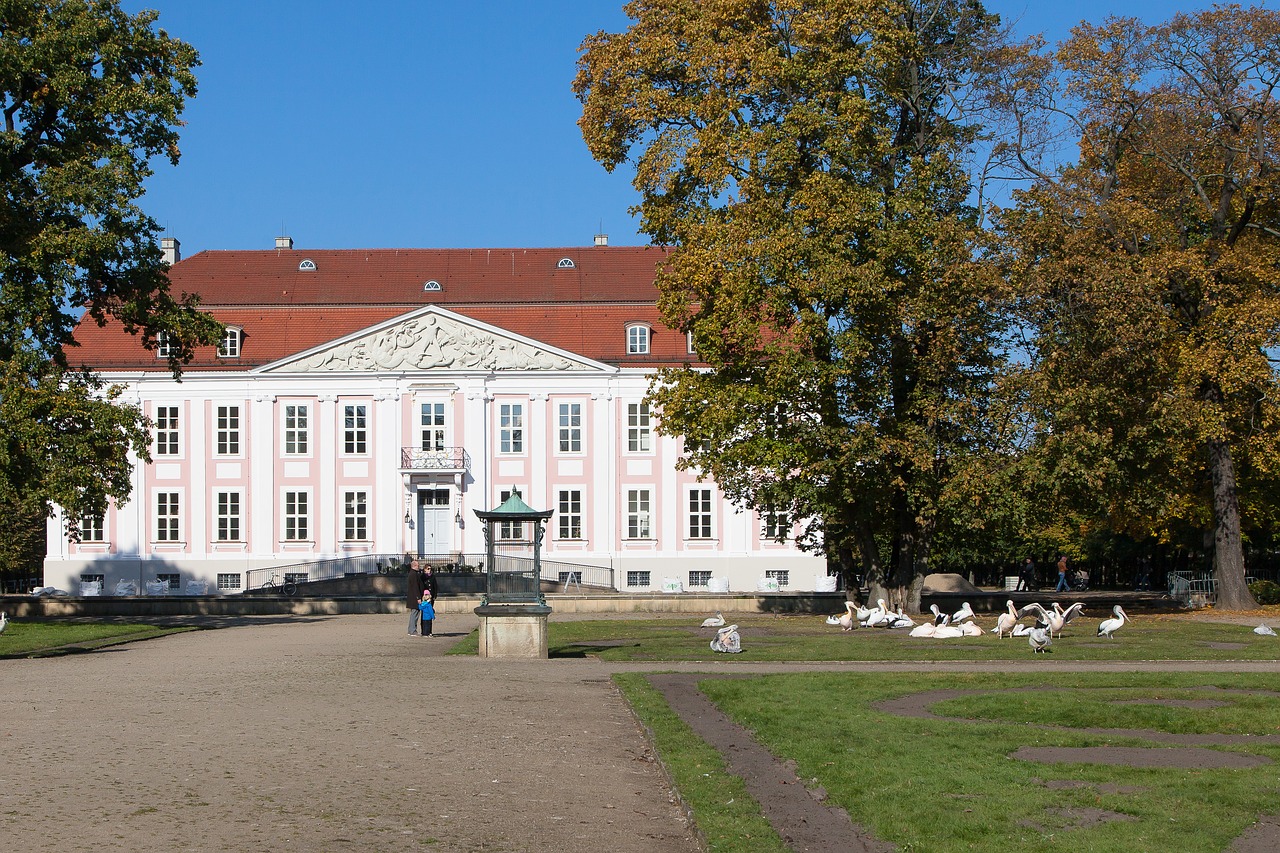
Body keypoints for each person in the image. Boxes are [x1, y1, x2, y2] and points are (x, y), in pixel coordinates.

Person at [405, 558, 426, 636]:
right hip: (414, 597)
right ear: (414, 566)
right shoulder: (413, 574)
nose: (419, 566)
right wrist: (418, 597)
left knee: (414, 613)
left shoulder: (413, 573)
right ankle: (412, 630)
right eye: (418, 565)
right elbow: (415, 587)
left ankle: (411, 630)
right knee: (415, 614)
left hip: (414, 597)